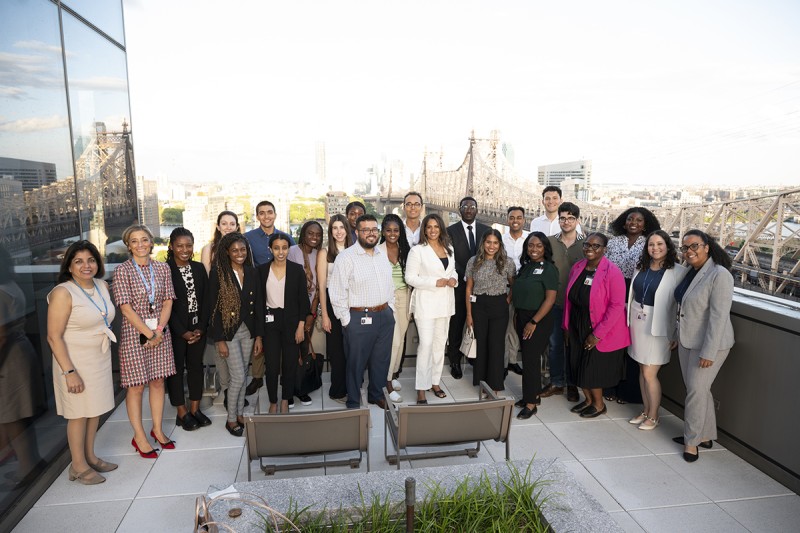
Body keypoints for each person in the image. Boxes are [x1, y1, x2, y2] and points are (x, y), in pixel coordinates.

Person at [47, 241, 115, 484]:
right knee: (78, 413)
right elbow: (53, 336)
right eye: (79, 261)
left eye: (91, 260)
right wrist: (69, 371)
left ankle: (90, 457)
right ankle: (77, 466)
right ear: (69, 266)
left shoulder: (101, 285)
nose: (86, 266)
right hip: (74, 360)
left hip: (98, 356)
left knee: (93, 410)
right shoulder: (63, 292)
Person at [112, 225, 176, 457]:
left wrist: (158, 330)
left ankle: (157, 430)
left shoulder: (162, 268)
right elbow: (126, 309)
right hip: (134, 335)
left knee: (158, 382)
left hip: (160, 332)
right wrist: (149, 334)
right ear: (128, 245)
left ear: (151, 242)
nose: (140, 244)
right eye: (134, 241)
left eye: (144, 240)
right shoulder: (122, 271)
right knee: (136, 386)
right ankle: (138, 436)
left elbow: (168, 301)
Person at [672, 230, 734, 462]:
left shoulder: (720, 275)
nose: (689, 251)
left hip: (711, 345)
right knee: (698, 390)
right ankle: (705, 436)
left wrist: (709, 352)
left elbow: (718, 317)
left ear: (707, 247)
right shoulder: (690, 272)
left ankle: (691, 442)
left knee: (696, 392)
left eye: (694, 246)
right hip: (687, 340)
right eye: (685, 248)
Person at [329, 214, 395, 409]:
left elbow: (389, 285)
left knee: (381, 360)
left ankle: (376, 394)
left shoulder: (382, 255)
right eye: (365, 230)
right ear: (357, 232)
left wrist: (389, 309)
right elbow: (337, 292)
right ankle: (353, 400)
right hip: (359, 317)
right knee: (355, 364)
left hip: (384, 315)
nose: (371, 233)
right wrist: (346, 321)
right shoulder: (346, 257)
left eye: (374, 230)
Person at [564, 232, 631, 418]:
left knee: (591, 368)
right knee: (576, 364)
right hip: (577, 322)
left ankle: (599, 404)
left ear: (604, 249)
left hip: (598, 326)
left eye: (596, 246)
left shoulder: (612, 272)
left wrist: (598, 334)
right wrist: (566, 326)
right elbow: (569, 299)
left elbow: (617, 306)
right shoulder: (578, 267)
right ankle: (587, 400)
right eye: (587, 245)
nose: (590, 249)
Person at [627, 230, 686, 430]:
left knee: (650, 373)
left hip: (660, 326)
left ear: (668, 246)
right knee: (642, 370)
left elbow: (682, 306)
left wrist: (677, 332)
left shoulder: (678, 271)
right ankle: (645, 410)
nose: (655, 248)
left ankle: (654, 415)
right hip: (638, 322)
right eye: (651, 245)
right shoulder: (640, 267)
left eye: (660, 244)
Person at [208, 233, 263, 436]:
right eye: (235, 250)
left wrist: (259, 336)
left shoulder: (252, 272)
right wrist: (219, 339)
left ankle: (240, 414)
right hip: (228, 332)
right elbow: (213, 309)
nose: (239, 254)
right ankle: (231, 420)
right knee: (238, 377)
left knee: (243, 375)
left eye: (242, 250)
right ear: (227, 252)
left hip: (248, 331)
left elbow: (258, 306)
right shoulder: (218, 273)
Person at [604, 207, 661, 404]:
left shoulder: (649, 244)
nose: (633, 222)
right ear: (624, 221)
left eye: (639, 220)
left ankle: (628, 392)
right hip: (612, 292)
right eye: (630, 219)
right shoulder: (613, 241)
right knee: (612, 342)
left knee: (633, 344)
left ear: (646, 224)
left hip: (636, 294)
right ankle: (608, 387)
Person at [405, 214, 458, 404]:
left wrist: (454, 279)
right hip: (426, 305)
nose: (433, 230)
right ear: (424, 230)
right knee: (426, 345)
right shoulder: (417, 251)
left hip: (445, 305)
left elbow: (452, 271)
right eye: (429, 227)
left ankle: (435, 382)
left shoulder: (449, 249)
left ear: (441, 229)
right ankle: (421, 386)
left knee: (439, 346)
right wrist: (434, 282)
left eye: (436, 226)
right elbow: (410, 278)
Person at [257, 234, 309, 413]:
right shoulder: (261, 270)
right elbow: (257, 303)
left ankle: (286, 399)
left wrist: (301, 326)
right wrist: (258, 334)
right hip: (269, 322)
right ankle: (273, 400)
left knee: (290, 364)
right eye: (277, 248)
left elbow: (304, 301)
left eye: (284, 247)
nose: (281, 252)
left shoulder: (296, 270)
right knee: (271, 366)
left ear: (289, 248)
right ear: (270, 249)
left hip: (292, 322)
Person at [165, 228, 211, 432]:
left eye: (189, 245)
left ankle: (195, 409)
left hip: (198, 328)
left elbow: (207, 299)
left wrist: (201, 327)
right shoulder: (164, 270)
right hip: (175, 330)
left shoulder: (199, 268)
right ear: (171, 246)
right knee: (175, 371)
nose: (185, 250)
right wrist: (182, 331)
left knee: (195, 367)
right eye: (180, 245)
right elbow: (165, 305)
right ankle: (181, 412)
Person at [512, 232, 558, 419]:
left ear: (545, 248)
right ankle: (531, 395)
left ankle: (531, 404)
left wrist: (533, 322)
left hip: (538, 319)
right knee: (528, 358)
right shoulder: (525, 267)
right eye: (531, 245)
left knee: (531, 360)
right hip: (522, 316)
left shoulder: (549, 269)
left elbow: (550, 299)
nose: (534, 249)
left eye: (539, 246)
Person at [465, 229, 516, 395]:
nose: (491, 246)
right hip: (478, 305)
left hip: (498, 306)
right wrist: (469, 314)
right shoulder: (473, 261)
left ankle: (495, 385)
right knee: (481, 345)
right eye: (488, 242)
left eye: (495, 243)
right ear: (483, 243)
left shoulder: (507, 262)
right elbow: (468, 289)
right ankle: (482, 382)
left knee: (496, 345)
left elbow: (514, 285)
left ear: (500, 244)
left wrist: (506, 300)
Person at [199, 210, 241, 410]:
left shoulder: (242, 248)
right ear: (217, 227)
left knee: (238, 358)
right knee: (221, 354)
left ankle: (236, 391)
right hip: (217, 310)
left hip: (238, 313)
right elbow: (207, 283)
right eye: (224, 224)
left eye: (232, 224)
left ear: (237, 226)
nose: (228, 227)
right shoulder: (210, 249)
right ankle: (226, 392)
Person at [543, 202, 585, 402]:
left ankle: (572, 384)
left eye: (570, 218)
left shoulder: (586, 245)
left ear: (577, 220)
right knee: (555, 344)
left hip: (578, 305)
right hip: (554, 302)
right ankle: (557, 382)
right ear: (558, 219)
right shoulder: (549, 242)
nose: (566, 222)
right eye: (562, 218)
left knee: (575, 346)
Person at [446, 196, 489, 379]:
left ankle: (473, 357)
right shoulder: (449, 231)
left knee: (478, 325)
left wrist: (478, 277)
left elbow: (491, 255)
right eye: (465, 206)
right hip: (458, 286)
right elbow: (449, 258)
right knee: (456, 325)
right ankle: (454, 361)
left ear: (477, 210)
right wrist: (467, 275)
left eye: (472, 206)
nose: (469, 209)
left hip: (481, 287)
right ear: (459, 209)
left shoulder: (487, 230)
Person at [283, 220, 324, 405]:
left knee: (304, 349)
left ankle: (301, 388)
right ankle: (288, 391)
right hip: (292, 310)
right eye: (310, 233)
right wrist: (301, 314)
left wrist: (311, 314)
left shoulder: (319, 254)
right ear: (303, 234)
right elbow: (288, 284)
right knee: (291, 351)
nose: (314, 237)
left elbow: (318, 288)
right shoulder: (291, 252)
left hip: (310, 309)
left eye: (318, 234)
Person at [316, 214, 352, 403]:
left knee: (353, 350)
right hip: (331, 302)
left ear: (347, 229)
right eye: (334, 228)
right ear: (330, 232)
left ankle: (352, 387)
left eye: (342, 227)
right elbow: (321, 286)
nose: (339, 232)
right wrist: (325, 316)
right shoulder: (325, 253)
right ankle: (337, 391)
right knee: (337, 351)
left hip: (352, 303)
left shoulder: (355, 250)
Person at [378, 214, 412, 403]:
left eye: (396, 230)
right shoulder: (377, 251)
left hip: (405, 297)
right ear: (383, 231)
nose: (392, 233)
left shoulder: (405, 250)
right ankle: (386, 382)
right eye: (389, 230)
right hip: (387, 299)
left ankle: (392, 374)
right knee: (393, 342)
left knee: (400, 341)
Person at [502, 206, 529, 376]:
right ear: (507, 220)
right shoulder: (501, 239)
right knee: (505, 327)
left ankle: (512, 361)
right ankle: (504, 363)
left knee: (517, 327)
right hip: (505, 288)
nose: (515, 221)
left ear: (524, 220)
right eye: (512, 217)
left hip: (525, 288)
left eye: (519, 217)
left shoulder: (529, 239)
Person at [244, 200, 295, 266]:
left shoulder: (287, 238)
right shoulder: (247, 237)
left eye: (270, 212)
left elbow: (295, 259)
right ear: (257, 217)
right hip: (257, 275)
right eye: (262, 213)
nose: (266, 216)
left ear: (275, 215)